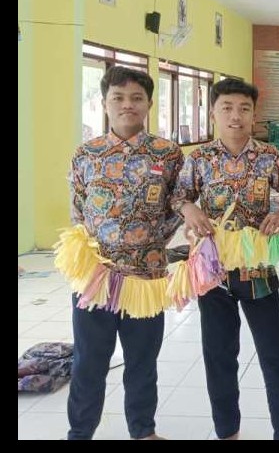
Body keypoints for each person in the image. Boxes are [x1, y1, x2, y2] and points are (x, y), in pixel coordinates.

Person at [172, 78, 279, 440]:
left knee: (275, 355)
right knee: (219, 356)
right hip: (212, 272)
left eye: (244, 109)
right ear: (213, 113)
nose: (236, 116)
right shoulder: (199, 158)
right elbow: (178, 196)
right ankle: (227, 431)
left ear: (253, 114)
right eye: (227, 108)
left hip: (257, 270)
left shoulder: (268, 156)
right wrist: (189, 210)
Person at [66, 66, 184, 440]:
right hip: (95, 277)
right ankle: (80, 432)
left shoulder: (168, 154)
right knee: (89, 361)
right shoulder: (86, 153)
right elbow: (78, 209)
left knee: (142, 361)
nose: (127, 105)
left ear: (149, 104)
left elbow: (178, 205)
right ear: (104, 103)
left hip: (146, 276)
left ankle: (143, 430)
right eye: (118, 97)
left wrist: (151, 244)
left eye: (136, 98)